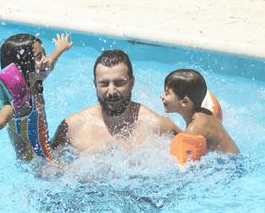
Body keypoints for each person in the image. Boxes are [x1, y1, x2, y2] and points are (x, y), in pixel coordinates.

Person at [0, 33, 72, 162]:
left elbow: (50, 64)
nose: (45, 60)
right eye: (38, 57)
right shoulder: (22, 102)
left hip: (41, 158)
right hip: (40, 167)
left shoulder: (34, 82)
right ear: (20, 66)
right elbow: (1, 119)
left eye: (44, 54)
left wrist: (60, 48)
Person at [51, 49, 182, 153]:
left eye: (119, 83)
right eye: (104, 84)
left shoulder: (157, 126)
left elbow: (196, 155)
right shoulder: (72, 127)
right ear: (95, 85)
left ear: (132, 83)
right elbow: (46, 166)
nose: (112, 91)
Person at [160, 69, 240, 155]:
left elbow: (189, 165)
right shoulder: (204, 113)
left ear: (185, 102)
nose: (161, 95)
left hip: (228, 165)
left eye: (167, 93)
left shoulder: (194, 129)